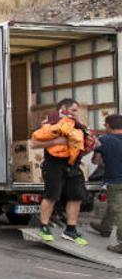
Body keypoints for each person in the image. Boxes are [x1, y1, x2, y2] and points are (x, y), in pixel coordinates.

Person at [29, 98, 92, 245]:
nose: (76, 114)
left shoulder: (78, 126)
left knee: (76, 196)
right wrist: (57, 142)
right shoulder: (51, 123)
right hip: (53, 164)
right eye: (74, 110)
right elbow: (34, 144)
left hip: (73, 165)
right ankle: (43, 227)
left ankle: (70, 230)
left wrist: (87, 146)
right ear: (63, 108)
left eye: (77, 111)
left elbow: (82, 146)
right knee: (51, 196)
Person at [92, 114, 122, 253]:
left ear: (109, 126)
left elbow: (96, 161)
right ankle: (105, 227)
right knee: (114, 207)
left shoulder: (103, 140)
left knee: (118, 211)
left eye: (105, 125)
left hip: (114, 180)